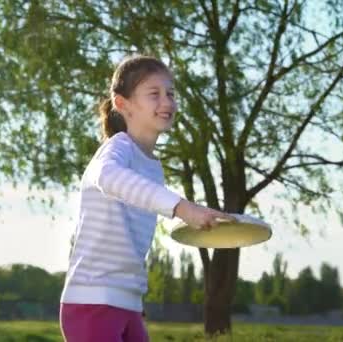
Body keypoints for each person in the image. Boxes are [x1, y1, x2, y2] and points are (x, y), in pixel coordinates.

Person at [59, 55, 235, 342]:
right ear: (122, 104)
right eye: (154, 94)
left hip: (128, 303)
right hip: (93, 302)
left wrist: (197, 224)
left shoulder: (152, 166)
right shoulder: (117, 149)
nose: (166, 102)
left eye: (170, 94)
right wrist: (181, 207)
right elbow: (108, 178)